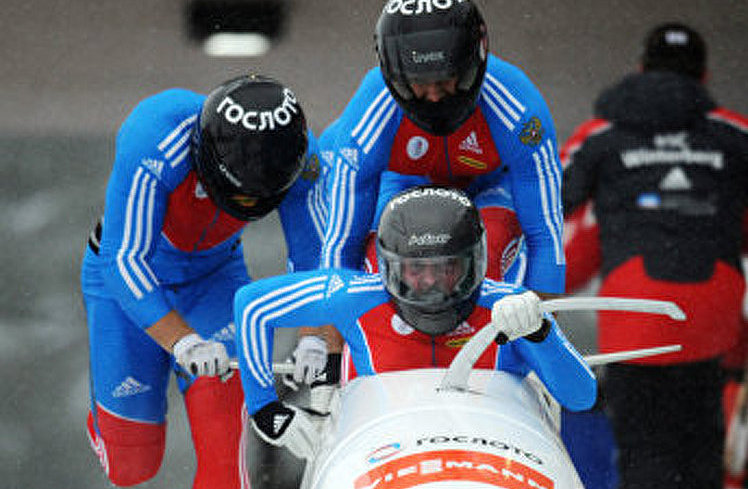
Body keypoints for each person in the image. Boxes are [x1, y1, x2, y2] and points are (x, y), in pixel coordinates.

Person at [80, 74, 325, 488]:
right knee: (132, 466)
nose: (246, 207)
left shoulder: (303, 159)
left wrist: (314, 335)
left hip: (215, 282)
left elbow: (313, 255)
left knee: (227, 460)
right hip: (128, 284)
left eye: (257, 200)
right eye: (238, 196)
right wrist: (183, 341)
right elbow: (124, 259)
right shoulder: (153, 135)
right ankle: (114, 417)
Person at [234, 186, 596, 460]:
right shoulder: (356, 297)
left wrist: (540, 332)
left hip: (493, 450)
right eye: (415, 270)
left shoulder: (507, 308)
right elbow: (251, 305)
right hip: (381, 448)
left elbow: (581, 396)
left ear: (473, 264)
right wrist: (264, 409)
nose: (429, 284)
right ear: (390, 267)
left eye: (446, 269)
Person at [561, 22, 748, 489]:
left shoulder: (599, 135)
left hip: (636, 318)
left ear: (640, 69)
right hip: (713, 320)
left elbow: (549, 201)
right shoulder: (735, 133)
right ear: (704, 78)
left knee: (644, 453)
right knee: (703, 452)